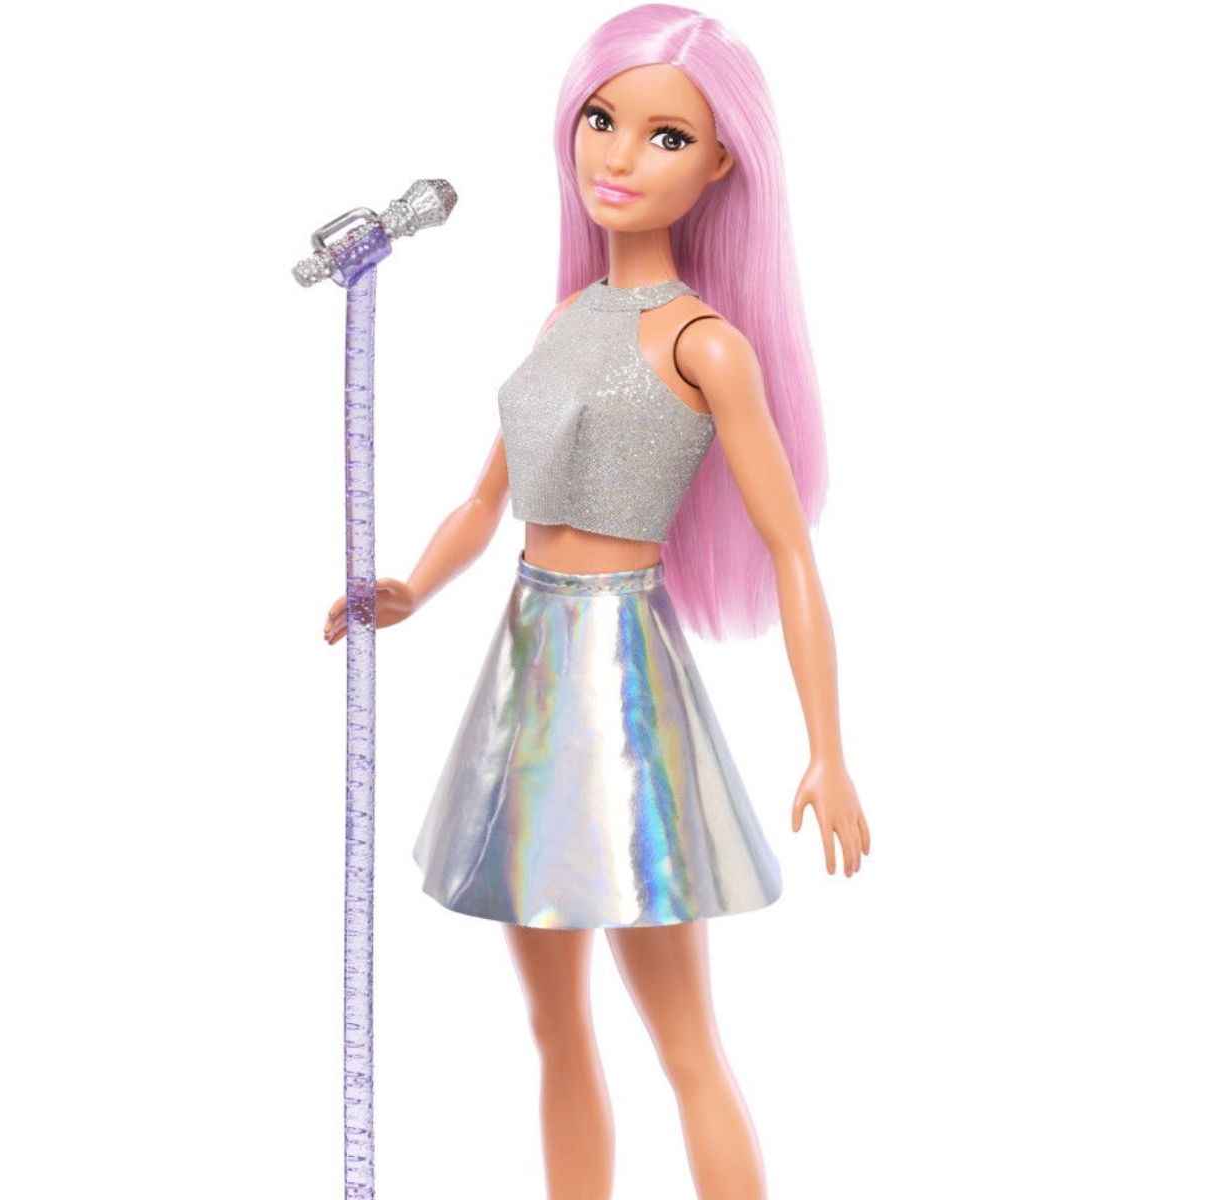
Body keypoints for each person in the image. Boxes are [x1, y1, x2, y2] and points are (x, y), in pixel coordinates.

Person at [322, 7, 871, 1196]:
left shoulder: (706, 345)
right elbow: (486, 499)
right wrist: (408, 586)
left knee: (683, 1042)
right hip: (527, 679)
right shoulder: (564, 319)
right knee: (553, 1026)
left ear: (720, 165)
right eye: (601, 120)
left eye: (666, 137)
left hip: (624, 688)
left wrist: (826, 749)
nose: (618, 157)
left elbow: (791, 551)